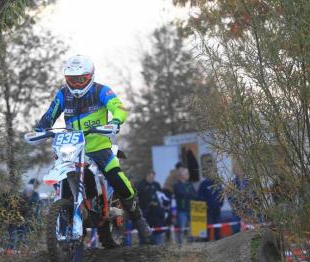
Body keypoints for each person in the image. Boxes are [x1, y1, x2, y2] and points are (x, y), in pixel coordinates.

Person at [34, 54, 152, 241]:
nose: (76, 84)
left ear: (90, 77)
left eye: (81, 80)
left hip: (99, 146)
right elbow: (50, 113)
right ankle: (69, 221)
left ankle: (138, 217)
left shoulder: (102, 92)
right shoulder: (63, 94)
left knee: (115, 175)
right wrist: (41, 128)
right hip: (72, 147)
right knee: (61, 178)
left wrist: (115, 120)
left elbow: (119, 108)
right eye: (72, 80)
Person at [136, 170, 165, 245]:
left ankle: (156, 244)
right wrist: (148, 203)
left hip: (156, 212)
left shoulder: (156, 185)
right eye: (151, 177)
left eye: (154, 177)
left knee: (156, 230)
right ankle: (143, 245)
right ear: (147, 175)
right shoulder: (140, 185)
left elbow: (161, 196)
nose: (152, 178)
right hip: (144, 211)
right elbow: (138, 198)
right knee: (144, 229)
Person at [198, 167, 224, 240]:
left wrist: (221, 203)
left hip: (217, 208)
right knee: (208, 225)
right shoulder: (203, 184)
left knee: (217, 224)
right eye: (210, 172)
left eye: (213, 172)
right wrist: (204, 204)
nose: (212, 174)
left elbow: (222, 194)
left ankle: (218, 239)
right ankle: (206, 240)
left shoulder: (218, 183)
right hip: (207, 208)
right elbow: (199, 196)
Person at [173, 168, 197, 244]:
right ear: (181, 175)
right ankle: (181, 243)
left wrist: (188, 194)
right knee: (182, 228)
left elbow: (194, 194)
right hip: (182, 210)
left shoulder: (189, 184)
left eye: (188, 173)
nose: (188, 175)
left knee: (192, 227)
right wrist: (189, 194)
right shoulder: (176, 185)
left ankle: (192, 242)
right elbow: (181, 194)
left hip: (191, 208)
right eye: (186, 173)